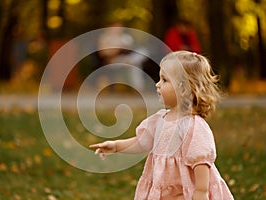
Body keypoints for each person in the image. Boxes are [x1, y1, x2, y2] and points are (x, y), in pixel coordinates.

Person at [90, 51, 234, 199]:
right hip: (163, 191)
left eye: (164, 80)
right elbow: (141, 143)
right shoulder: (160, 120)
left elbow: (201, 163)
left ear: (183, 89)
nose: (157, 84)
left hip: (184, 192)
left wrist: (201, 193)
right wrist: (115, 146)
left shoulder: (193, 126)